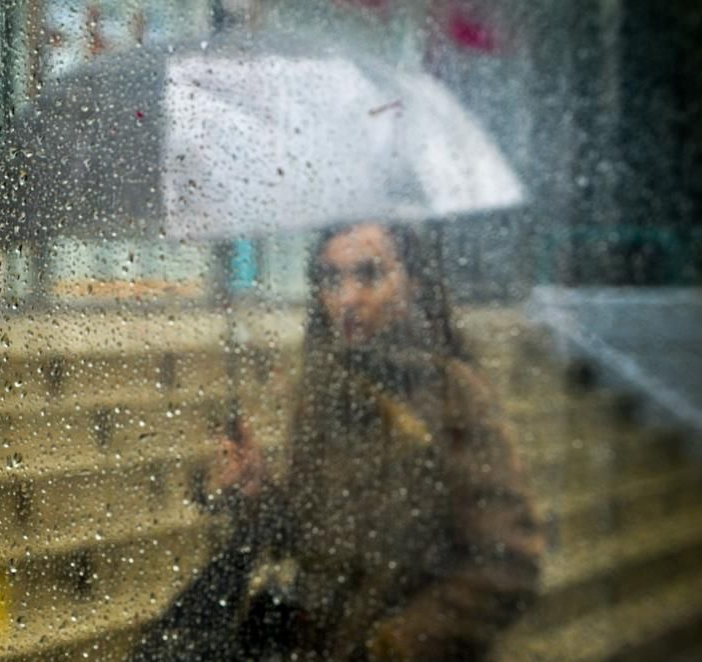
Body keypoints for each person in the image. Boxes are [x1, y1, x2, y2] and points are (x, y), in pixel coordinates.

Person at [133, 222, 544, 661]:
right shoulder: (324, 393)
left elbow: (507, 562)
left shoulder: (452, 395)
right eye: (332, 279)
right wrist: (257, 493)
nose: (348, 298)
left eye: (369, 275)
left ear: (413, 283)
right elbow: (315, 538)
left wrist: (396, 645)